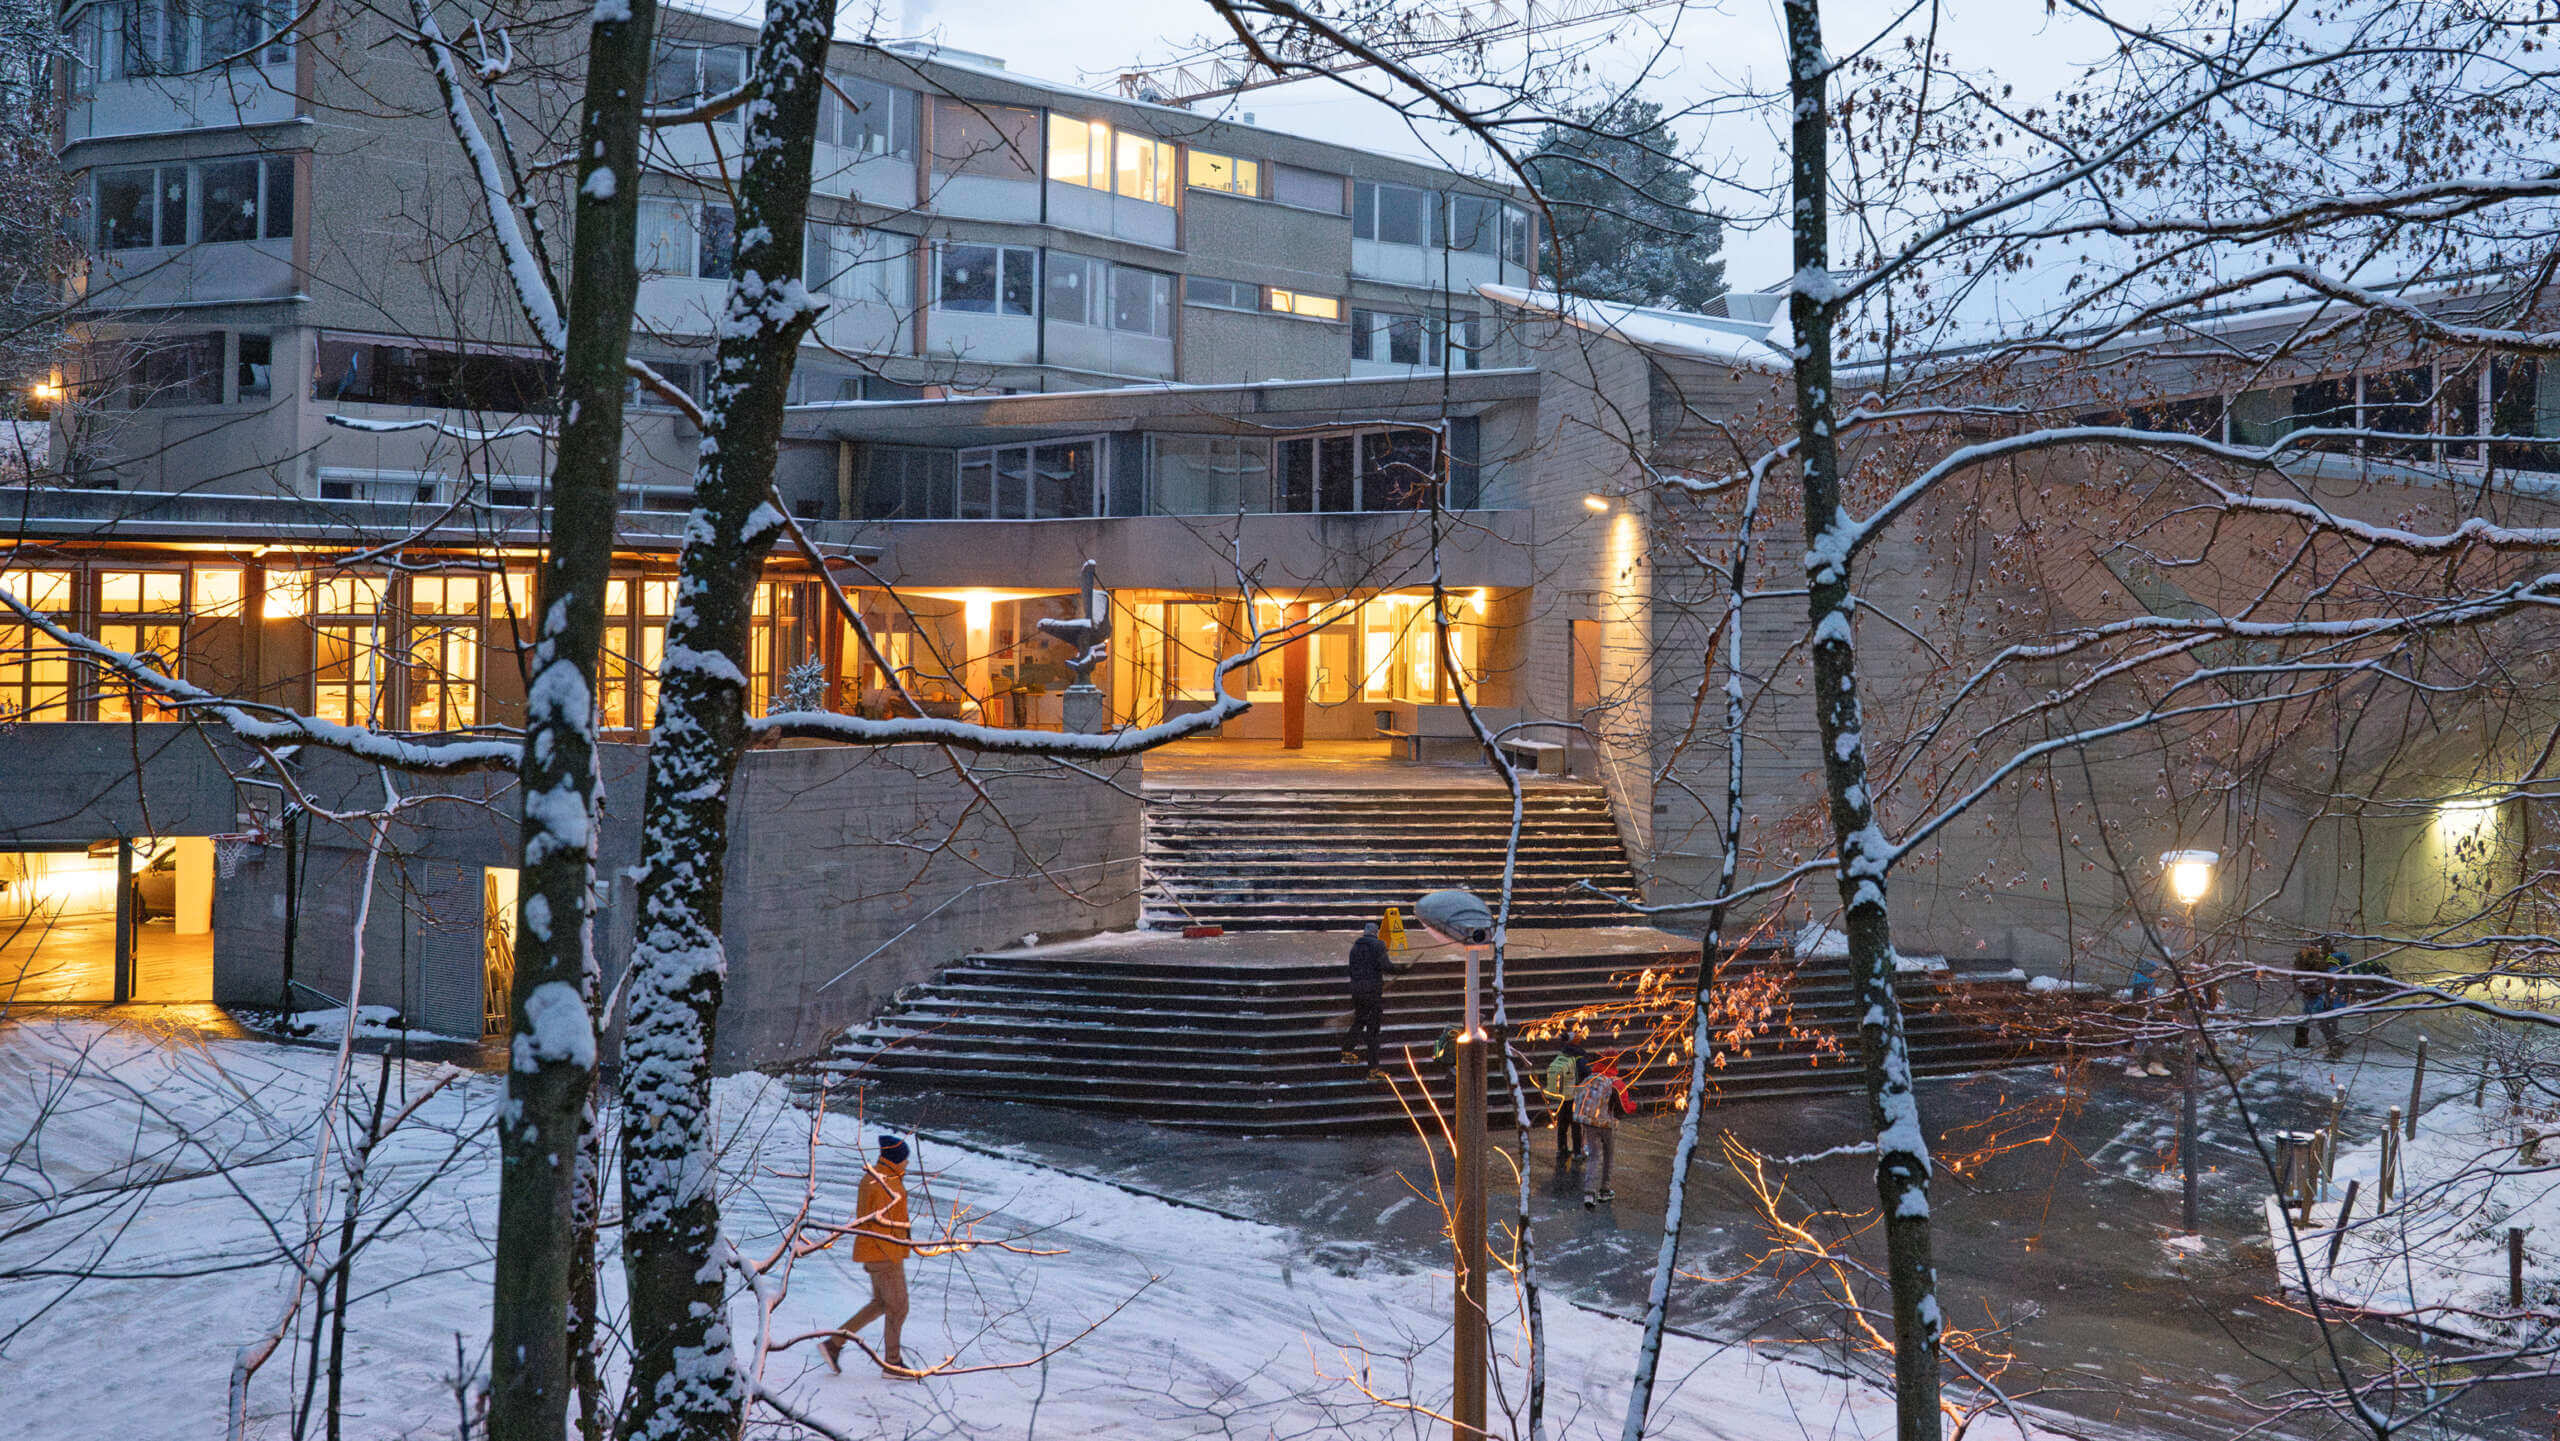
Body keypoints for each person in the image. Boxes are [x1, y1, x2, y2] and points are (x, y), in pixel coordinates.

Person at [824, 1136, 915, 1375]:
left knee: (881, 1304)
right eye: (905, 1158)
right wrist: (895, 1248)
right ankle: (892, 1363)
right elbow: (879, 1224)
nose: (907, 1163)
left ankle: (833, 1344)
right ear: (896, 1158)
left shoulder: (883, 1178)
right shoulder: (882, 1183)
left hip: (879, 1251)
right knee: (898, 1307)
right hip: (884, 1253)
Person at [1575, 1053, 1632, 1207]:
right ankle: (1604, 1190)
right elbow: (1625, 1107)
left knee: (1593, 1156)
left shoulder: (1591, 1077)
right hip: (1606, 1124)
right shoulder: (1616, 1083)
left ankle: (1589, 1193)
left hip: (1588, 1122)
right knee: (1608, 1155)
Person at [1343, 921, 1390, 1070]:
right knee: (1373, 1030)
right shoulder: (1379, 945)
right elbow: (1386, 966)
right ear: (1376, 932)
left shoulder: (1355, 947)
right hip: (1372, 993)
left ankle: (1347, 1052)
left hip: (1357, 991)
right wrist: (1403, 969)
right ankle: (1373, 1069)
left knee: (1359, 1021)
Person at [1544, 1034, 1592, 1170]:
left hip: (1563, 1095)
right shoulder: (1579, 1057)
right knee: (1575, 1125)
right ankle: (1577, 1152)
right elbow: (1588, 1073)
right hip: (1575, 1096)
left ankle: (1562, 1149)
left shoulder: (1563, 1055)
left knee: (1562, 1124)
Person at [2292, 940, 2341, 1055]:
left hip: (2311, 992)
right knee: (2321, 1016)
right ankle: (2333, 1043)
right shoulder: (2319, 961)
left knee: (2307, 1015)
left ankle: (2301, 1041)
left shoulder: (2302, 960)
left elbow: (2296, 977)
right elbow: (2328, 977)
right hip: (2317, 992)